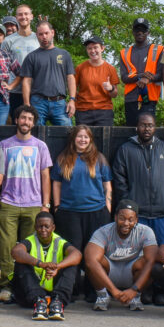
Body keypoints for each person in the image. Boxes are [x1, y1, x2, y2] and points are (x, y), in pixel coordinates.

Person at [111, 112, 164, 305]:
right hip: (138, 215)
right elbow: (120, 179)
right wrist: (129, 205)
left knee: (162, 253)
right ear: (137, 127)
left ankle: (160, 290)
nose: (146, 129)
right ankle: (144, 290)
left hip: (161, 213)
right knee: (139, 255)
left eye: (150, 125)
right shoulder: (126, 149)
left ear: (155, 127)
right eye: (143, 125)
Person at [0, 105, 53, 302]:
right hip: (8, 202)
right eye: (22, 118)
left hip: (34, 204)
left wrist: (45, 204)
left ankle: (28, 286)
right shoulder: (4, 145)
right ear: (16, 120)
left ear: (33, 123)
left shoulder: (41, 146)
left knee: (31, 249)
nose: (25, 122)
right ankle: (6, 286)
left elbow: (45, 176)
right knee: (6, 247)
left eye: (29, 119)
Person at [51, 124, 112, 300]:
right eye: (79, 137)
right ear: (74, 139)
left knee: (92, 253)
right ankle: (71, 289)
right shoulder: (63, 158)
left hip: (96, 212)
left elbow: (107, 184)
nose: (83, 140)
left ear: (90, 140)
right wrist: (57, 206)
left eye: (86, 137)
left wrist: (107, 207)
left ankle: (94, 290)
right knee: (73, 252)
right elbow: (56, 183)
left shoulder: (99, 159)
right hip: (69, 213)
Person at [85, 200, 158, 311]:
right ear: (115, 217)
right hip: (110, 271)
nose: (126, 223)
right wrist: (114, 290)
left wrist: (134, 290)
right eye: (122, 218)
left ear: (136, 220)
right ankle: (103, 296)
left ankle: (135, 297)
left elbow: (152, 260)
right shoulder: (103, 231)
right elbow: (91, 260)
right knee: (92, 261)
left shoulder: (146, 231)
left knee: (151, 263)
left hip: (133, 270)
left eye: (130, 219)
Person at [11, 212, 82, 320]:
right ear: (35, 227)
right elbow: (16, 251)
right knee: (20, 262)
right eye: (40, 226)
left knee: (72, 264)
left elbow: (77, 255)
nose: (43, 229)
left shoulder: (59, 241)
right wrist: (40, 264)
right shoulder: (30, 240)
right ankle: (39, 301)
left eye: (47, 226)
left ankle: (58, 302)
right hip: (31, 293)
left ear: (53, 227)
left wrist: (58, 267)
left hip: (54, 290)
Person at [21, 20, 76, 126]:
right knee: (35, 135)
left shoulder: (64, 54)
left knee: (67, 133)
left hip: (60, 103)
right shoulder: (31, 57)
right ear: (36, 35)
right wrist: (27, 104)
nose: (44, 37)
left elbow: (70, 78)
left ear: (52, 33)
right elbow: (26, 81)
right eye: (40, 34)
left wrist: (72, 100)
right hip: (37, 103)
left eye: (46, 33)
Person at [119, 17, 164, 126]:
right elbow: (124, 77)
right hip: (131, 99)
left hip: (149, 99)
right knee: (131, 132)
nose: (140, 32)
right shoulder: (125, 52)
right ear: (133, 32)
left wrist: (147, 78)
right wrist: (140, 76)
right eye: (137, 29)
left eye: (143, 30)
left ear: (148, 32)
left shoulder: (158, 50)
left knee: (146, 132)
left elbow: (162, 75)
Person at [2, 4, 39, 123]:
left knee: (35, 124)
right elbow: (3, 66)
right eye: (20, 14)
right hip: (14, 90)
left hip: (36, 89)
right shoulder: (8, 40)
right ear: (16, 17)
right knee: (16, 123)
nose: (23, 17)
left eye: (26, 14)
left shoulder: (39, 38)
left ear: (31, 16)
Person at [74, 36, 120, 126]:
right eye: (89, 48)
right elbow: (73, 88)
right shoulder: (80, 68)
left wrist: (110, 88)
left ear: (102, 48)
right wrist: (74, 101)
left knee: (104, 139)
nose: (93, 51)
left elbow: (115, 94)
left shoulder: (111, 69)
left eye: (95, 47)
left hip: (104, 112)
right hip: (83, 111)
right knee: (82, 139)